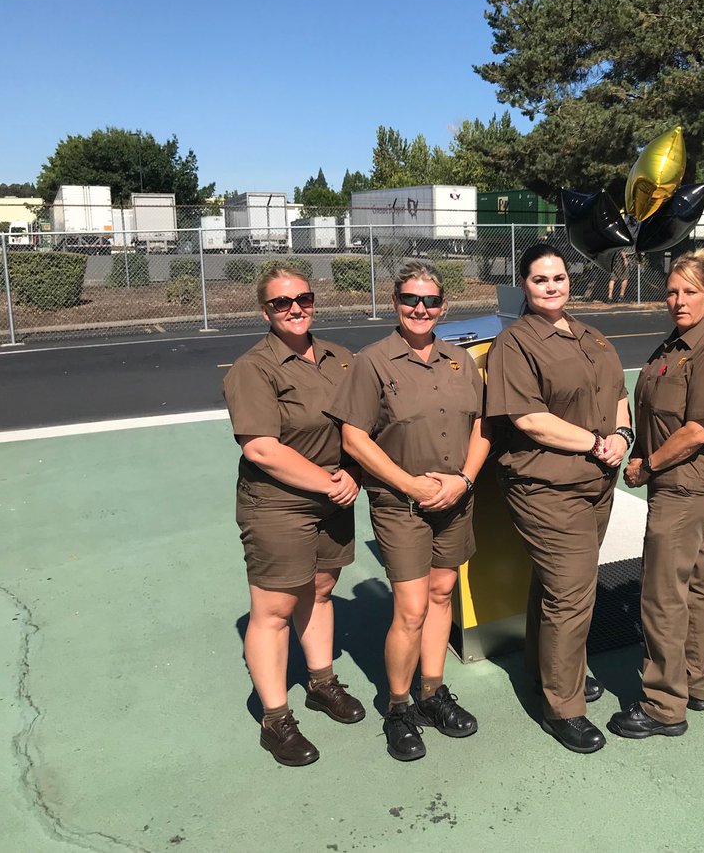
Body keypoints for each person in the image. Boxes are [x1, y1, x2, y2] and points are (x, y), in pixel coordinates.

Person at [328, 260, 490, 763]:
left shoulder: (461, 360)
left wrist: (463, 480)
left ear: (444, 305)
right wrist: (410, 485)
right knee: (412, 607)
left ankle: (431, 693)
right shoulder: (372, 361)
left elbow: (483, 426)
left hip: (455, 497)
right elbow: (353, 436)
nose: (420, 309)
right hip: (402, 504)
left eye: (431, 300)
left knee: (443, 595)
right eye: (410, 299)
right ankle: (398, 707)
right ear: (394, 301)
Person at [486, 243, 632, 755]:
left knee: (557, 584)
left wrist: (623, 437)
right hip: (546, 487)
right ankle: (563, 707)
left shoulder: (592, 336)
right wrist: (597, 442)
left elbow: (618, 396)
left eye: (559, 277)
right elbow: (529, 419)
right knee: (572, 594)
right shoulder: (517, 343)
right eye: (540, 279)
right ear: (523, 285)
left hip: (596, 484)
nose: (552, 286)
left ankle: (544, 668)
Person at [223, 266, 364, 767]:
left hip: (335, 496)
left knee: (321, 590)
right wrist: (332, 480)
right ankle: (275, 719)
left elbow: (361, 426)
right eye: (282, 303)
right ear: (266, 311)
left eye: (302, 297)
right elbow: (262, 449)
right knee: (274, 611)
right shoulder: (254, 368)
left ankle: (321, 684)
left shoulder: (341, 360)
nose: (295, 308)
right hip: (279, 504)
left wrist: (352, 474)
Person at [611, 249, 704, 739]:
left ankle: (664, 704)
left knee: (662, 591)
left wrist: (649, 464)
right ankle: (696, 679)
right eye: (672, 291)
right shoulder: (676, 344)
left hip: (685, 480)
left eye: (690, 292)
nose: (678, 300)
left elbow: (697, 430)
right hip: (674, 480)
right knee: (693, 581)